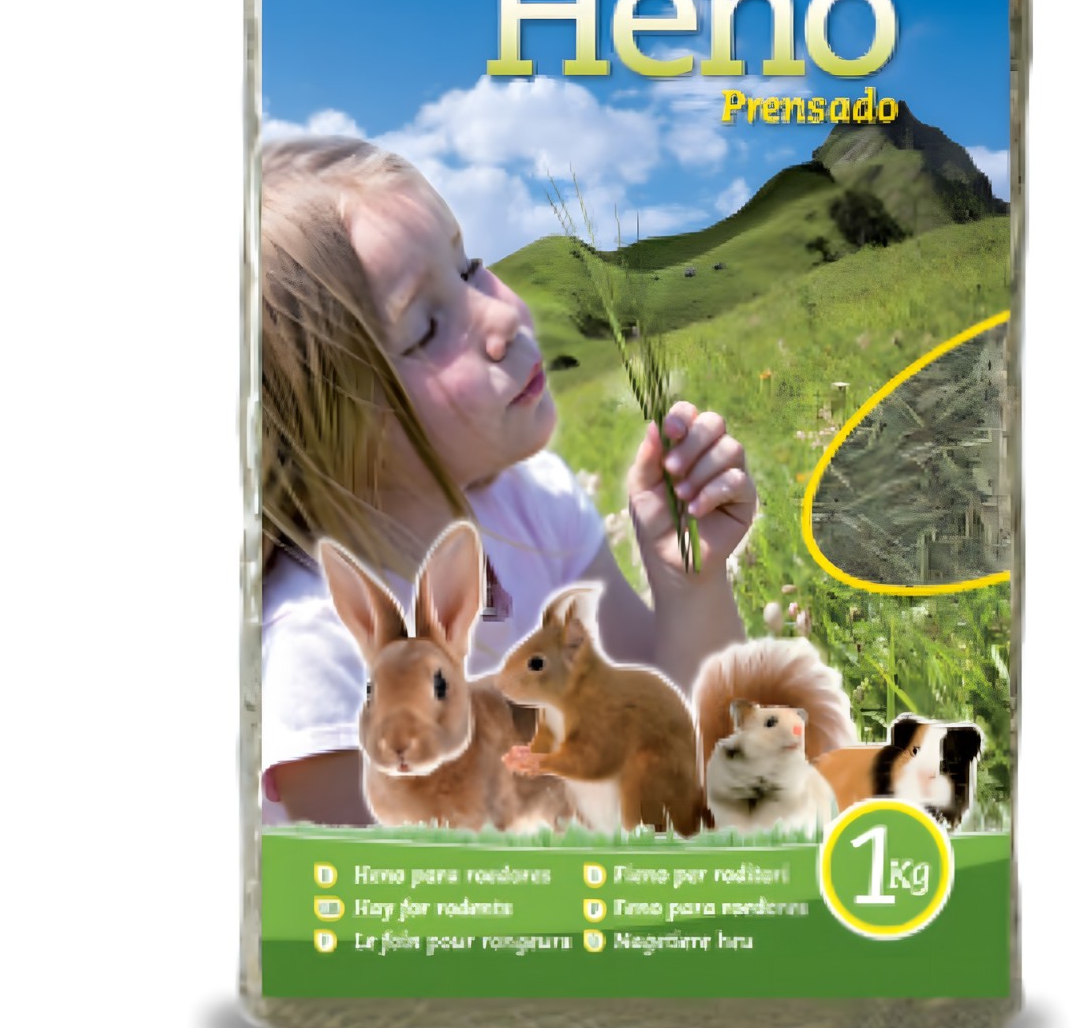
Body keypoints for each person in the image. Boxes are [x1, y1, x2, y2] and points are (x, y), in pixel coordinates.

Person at [260, 137, 753, 824]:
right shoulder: (318, 650)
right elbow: (362, 888)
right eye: (427, 329)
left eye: (469, 270)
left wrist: (687, 581)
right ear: (329, 427)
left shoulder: (537, 504)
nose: (499, 317)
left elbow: (678, 741)